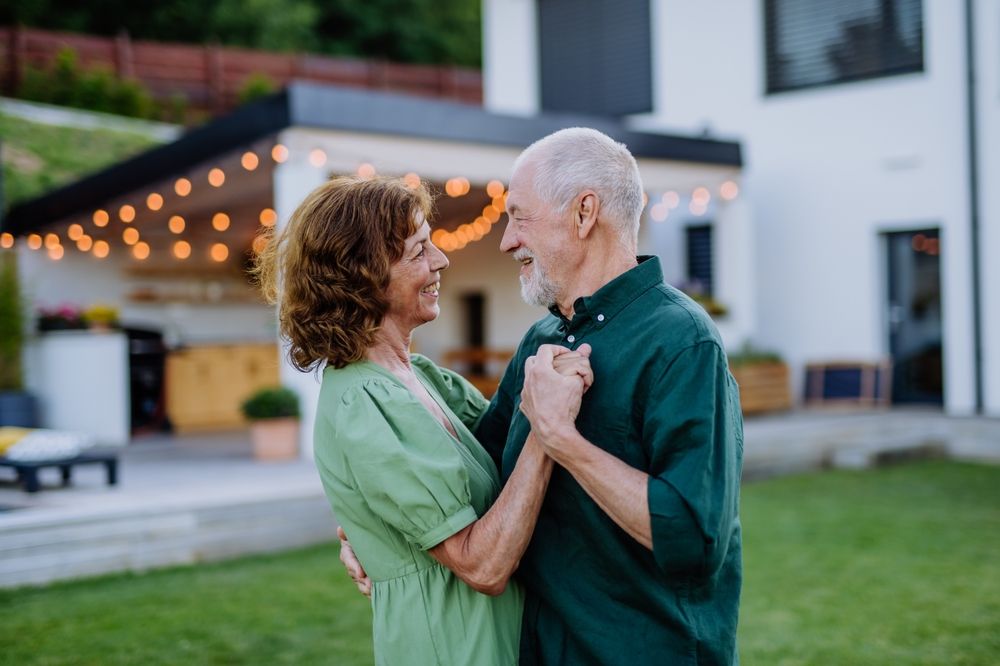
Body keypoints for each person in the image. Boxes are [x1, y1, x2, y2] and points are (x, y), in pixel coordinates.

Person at [342, 128, 744, 665]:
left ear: (583, 214)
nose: (507, 240)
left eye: (519, 217)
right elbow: (472, 479)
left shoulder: (682, 342)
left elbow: (694, 538)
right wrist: (373, 532)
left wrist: (562, 440)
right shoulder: (543, 339)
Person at [254, 175, 594, 666]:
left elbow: (503, 455)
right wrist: (550, 431)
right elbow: (483, 566)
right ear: (363, 275)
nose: (441, 260)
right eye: (418, 251)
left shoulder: (421, 378)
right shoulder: (363, 403)